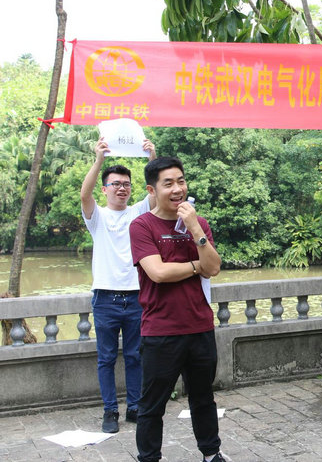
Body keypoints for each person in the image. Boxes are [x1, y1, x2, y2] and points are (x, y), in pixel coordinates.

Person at [129, 157, 225, 462]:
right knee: (152, 405)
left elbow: (214, 267)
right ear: (152, 190)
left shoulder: (200, 224)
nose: (177, 188)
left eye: (181, 181)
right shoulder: (142, 226)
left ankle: (211, 454)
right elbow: (158, 272)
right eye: (168, 183)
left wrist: (194, 227)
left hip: (200, 325)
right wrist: (196, 266)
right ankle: (149, 458)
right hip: (161, 330)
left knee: (203, 398)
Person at [81, 136, 156, 434]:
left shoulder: (137, 212)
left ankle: (134, 407)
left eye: (126, 184)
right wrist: (99, 159)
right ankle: (110, 410)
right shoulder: (97, 217)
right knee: (107, 359)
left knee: (136, 356)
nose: (121, 188)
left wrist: (152, 157)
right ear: (105, 189)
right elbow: (84, 194)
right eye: (115, 184)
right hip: (105, 299)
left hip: (137, 297)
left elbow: (158, 194)